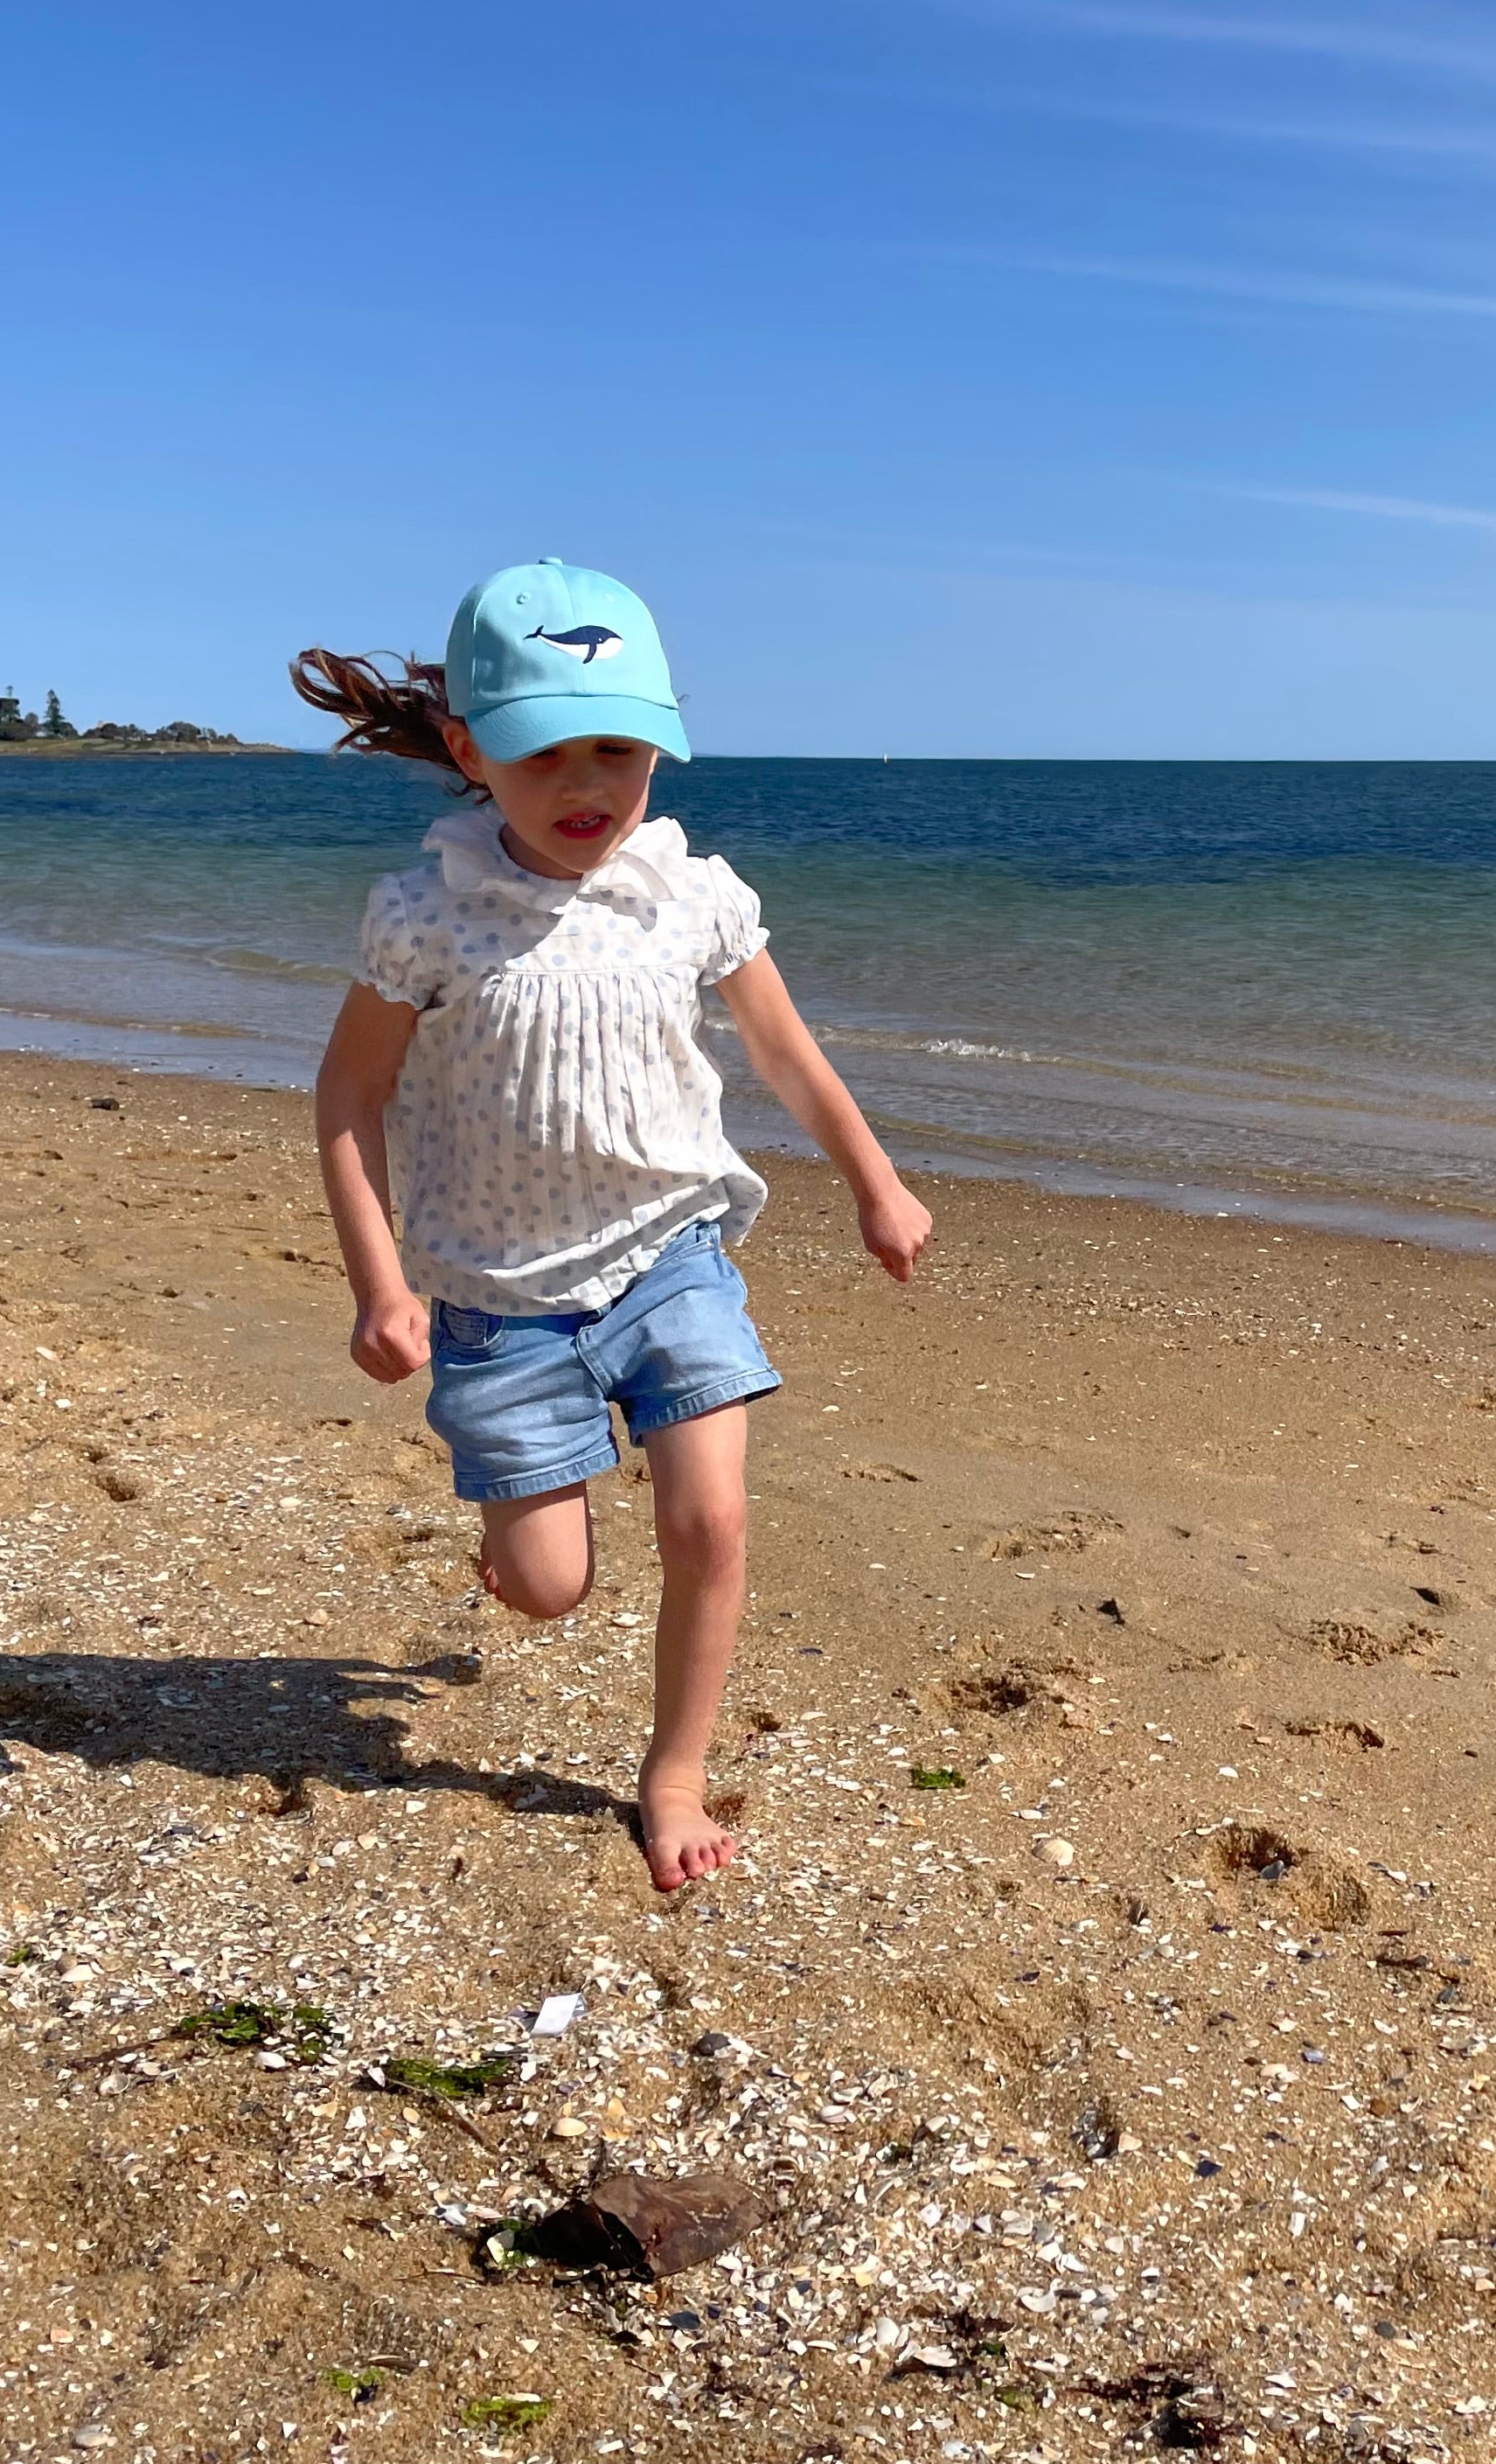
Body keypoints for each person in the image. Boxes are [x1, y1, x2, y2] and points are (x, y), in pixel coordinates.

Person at [297, 560, 931, 1890]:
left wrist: (876, 1180)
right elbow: (349, 1092)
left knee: (711, 1518)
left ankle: (674, 1769)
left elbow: (787, 1055)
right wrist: (376, 1281)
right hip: (497, 1296)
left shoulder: (689, 894)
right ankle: (507, 1539)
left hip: (669, 1257)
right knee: (544, 1588)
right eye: (546, 756)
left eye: (620, 751)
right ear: (470, 749)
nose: (588, 786)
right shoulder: (426, 913)